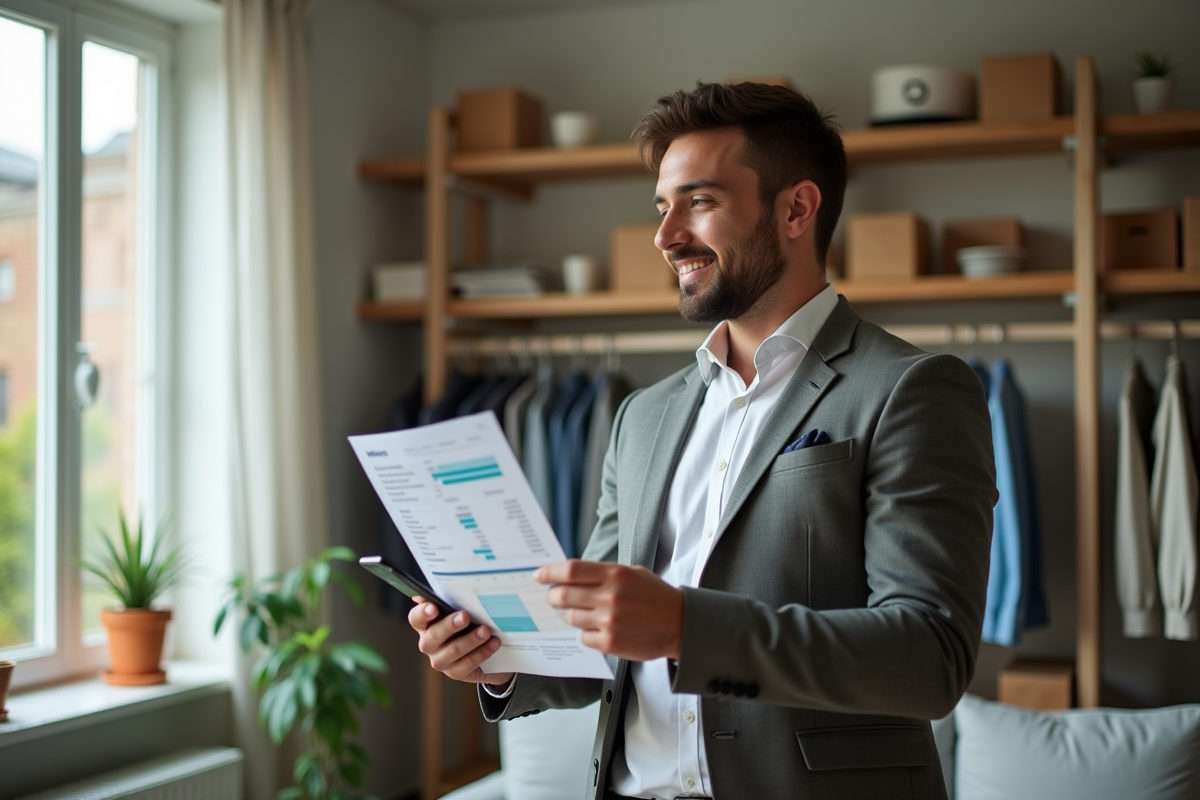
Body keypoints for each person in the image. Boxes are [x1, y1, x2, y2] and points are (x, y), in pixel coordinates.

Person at [409, 81, 997, 800]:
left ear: (796, 209)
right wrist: (499, 661)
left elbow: (928, 657)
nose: (665, 236)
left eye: (700, 201)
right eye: (663, 206)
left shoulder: (913, 388)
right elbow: (595, 641)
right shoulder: (642, 417)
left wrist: (688, 627)